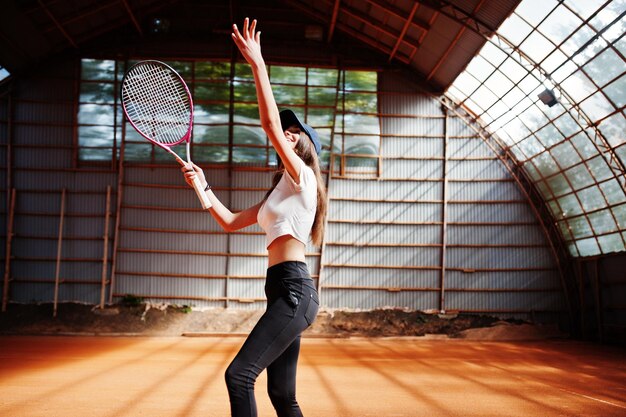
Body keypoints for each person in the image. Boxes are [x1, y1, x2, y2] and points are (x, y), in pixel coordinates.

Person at [181, 17, 327, 417]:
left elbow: (268, 124)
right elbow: (228, 221)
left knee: (239, 375)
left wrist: (258, 64)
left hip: (295, 291)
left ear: (306, 148)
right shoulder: (275, 197)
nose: (288, 133)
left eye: (295, 132)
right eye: (288, 130)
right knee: (282, 395)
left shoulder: (304, 179)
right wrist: (201, 185)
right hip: (282, 292)